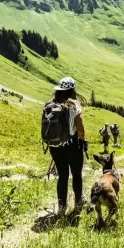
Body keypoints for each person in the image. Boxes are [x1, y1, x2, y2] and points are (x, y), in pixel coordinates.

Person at [48, 77, 87, 214]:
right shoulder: (74, 105)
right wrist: (83, 139)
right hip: (72, 146)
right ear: (72, 90)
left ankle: (62, 208)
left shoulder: (51, 104)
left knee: (62, 177)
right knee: (76, 174)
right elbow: (80, 128)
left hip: (55, 147)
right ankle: (78, 203)